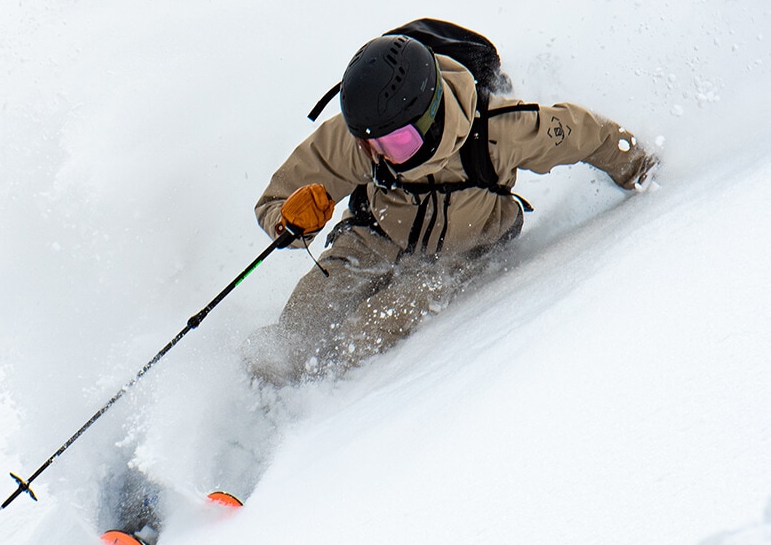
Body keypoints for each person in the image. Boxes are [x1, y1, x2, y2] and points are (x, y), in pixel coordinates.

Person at [240, 21, 659, 387]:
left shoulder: (499, 131)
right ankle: (266, 412)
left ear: (430, 114)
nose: (380, 155)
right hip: (375, 237)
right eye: (369, 143)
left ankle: (330, 414)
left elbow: (588, 135)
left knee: (366, 336)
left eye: (396, 142)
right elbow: (275, 200)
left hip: (460, 252)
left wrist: (640, 167)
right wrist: (289, 222)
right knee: (298, 329)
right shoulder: (367, 140)